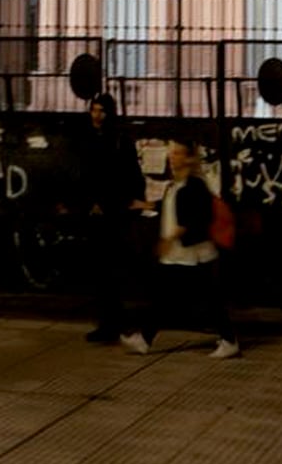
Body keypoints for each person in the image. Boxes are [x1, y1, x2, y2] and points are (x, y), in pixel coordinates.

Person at [122, 138, 240, 359]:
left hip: (193, 254)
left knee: (203, 299)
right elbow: (170, 207)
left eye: (177, 153)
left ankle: (229, 340)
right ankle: (145, 339)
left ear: (188, 158)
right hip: (179, 254)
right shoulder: (175, 184)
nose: (172, 157)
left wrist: (169, 239)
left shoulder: (195, 186)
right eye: (171, 153)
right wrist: (145, 205)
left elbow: (194, 220)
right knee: (168, 297)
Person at [74, 92, 146, 343]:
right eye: (94, 110)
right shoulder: (88, 139)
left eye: (101, 111)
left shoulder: (118, 140)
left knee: (110, 270)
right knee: (101, 271)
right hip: (96, 211)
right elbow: (83, 175)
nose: (96, 115)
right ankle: (109, 321)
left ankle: (111, 322)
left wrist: (116, 203)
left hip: (113, 212)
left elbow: (126, 175)